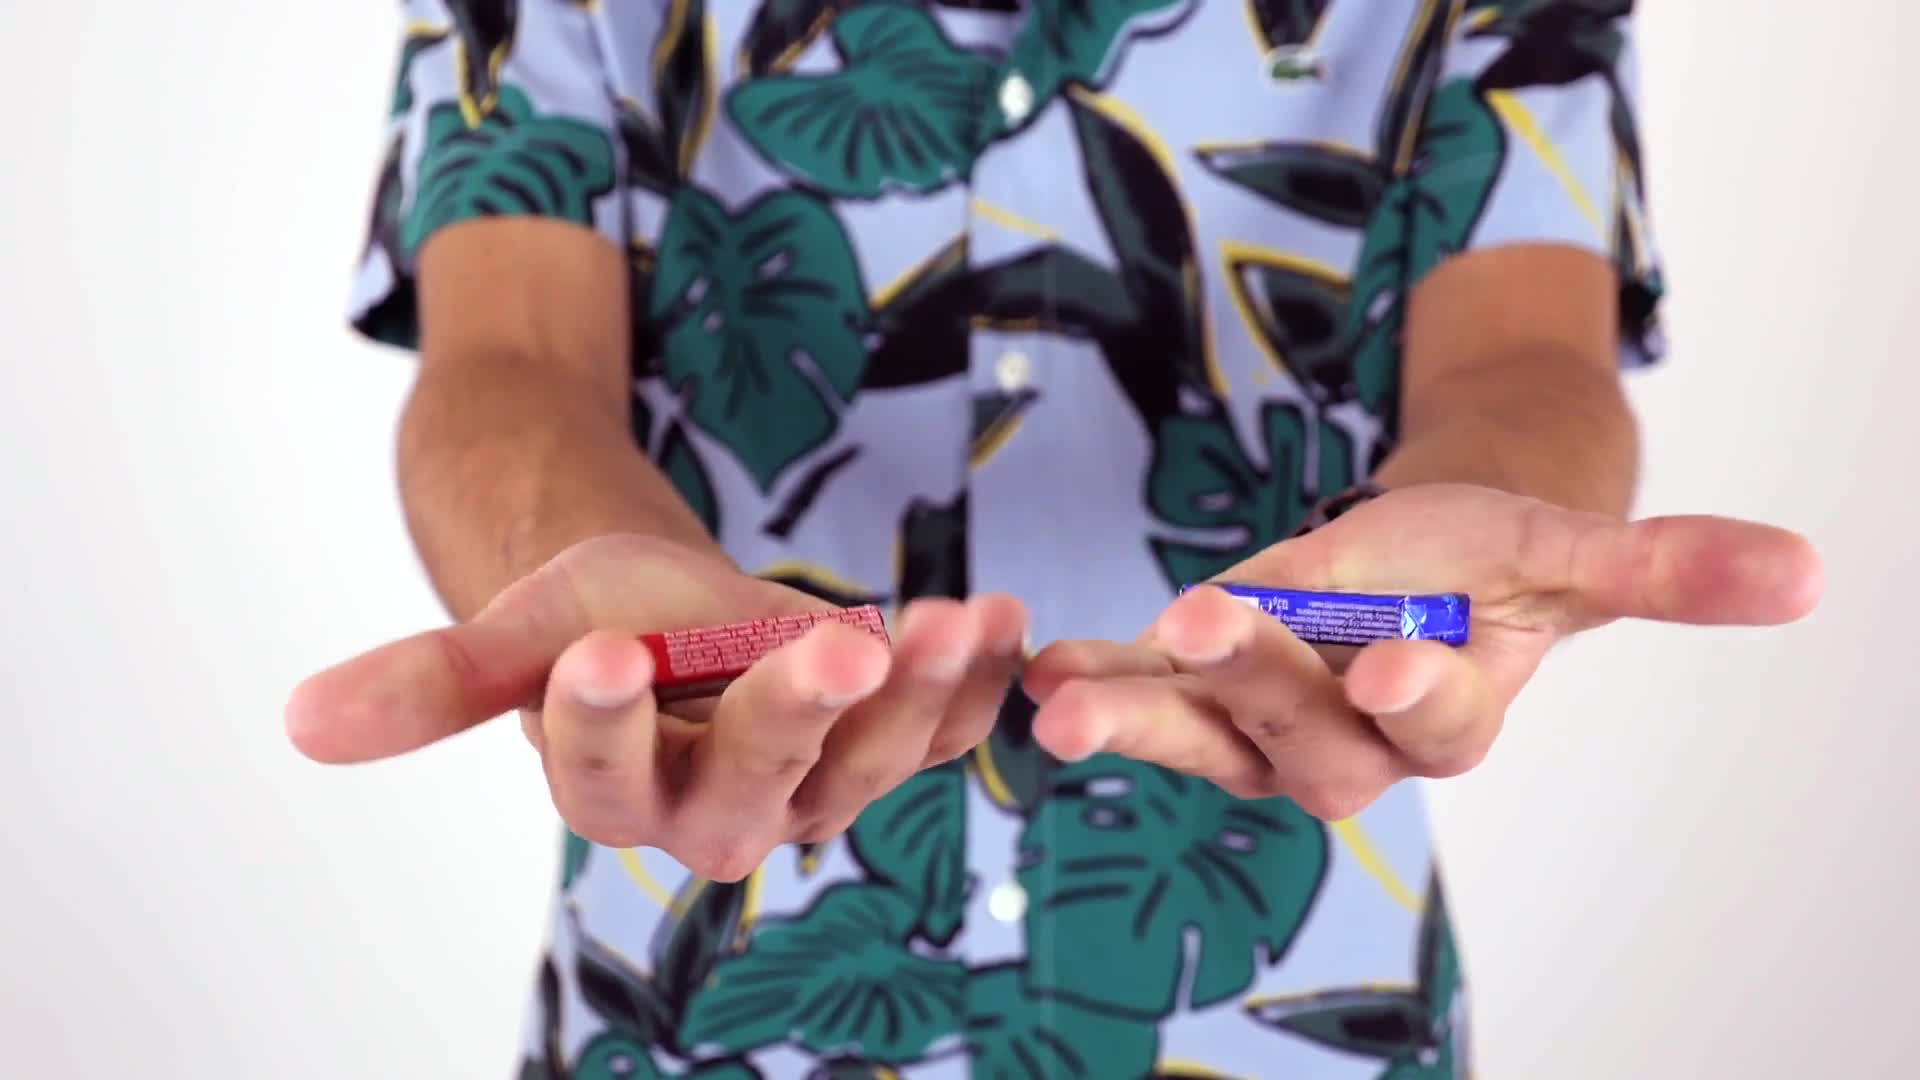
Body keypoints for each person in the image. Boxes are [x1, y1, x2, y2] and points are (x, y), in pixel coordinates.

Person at [288, 2, 1822, 1077]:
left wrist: (1464, 547)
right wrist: (587, 586)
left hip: (1298, 1015)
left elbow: (1528, 358)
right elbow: (509, 363)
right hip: (692, 1013)